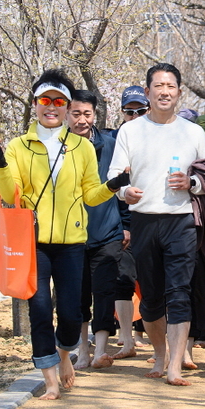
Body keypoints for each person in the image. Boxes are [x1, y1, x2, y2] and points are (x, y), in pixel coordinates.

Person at [0, 70, 128, 399]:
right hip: (33, 243)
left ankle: (65, 356)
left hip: (71, 244)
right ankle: (50, 379)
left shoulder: (80, 147)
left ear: (66, 107)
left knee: (70, 313)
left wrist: (112, 186)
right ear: (35, 104)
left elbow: (91, 194)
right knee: (38, 311)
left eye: (58, 101)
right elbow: (11, 196)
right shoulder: (19, 147)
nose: (51, 107)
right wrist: (0, 165)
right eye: (45, 101)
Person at [108, 63, 205, 387]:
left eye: (171, 86)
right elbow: (115, 177)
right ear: (147, 92)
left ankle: (175, 366)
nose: (165, 91)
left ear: (179, 92)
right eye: (158, 86)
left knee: (179, 292)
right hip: (143, 219)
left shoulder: (192, 132)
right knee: (152, 297)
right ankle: (159, 355)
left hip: (181, 220)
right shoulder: (130, 131)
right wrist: (126, 191)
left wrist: (192, 182)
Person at [67, 89, 128, 371]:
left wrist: (126, 225)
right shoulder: (58, 147)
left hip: (107, 231)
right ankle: (82, 350)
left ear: (95, 115)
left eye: (87, 114)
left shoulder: (112, 143)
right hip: (70, 235)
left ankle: (101, 348)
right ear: (67, 114)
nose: (81, 120)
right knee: (77, 294)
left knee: (105, 290)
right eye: (76, 113)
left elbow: (125, 183)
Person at [110, 85, 150, 352]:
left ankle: (158, 338)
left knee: (155, 281)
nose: (134, 116)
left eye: (140, 111)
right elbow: (110, 186)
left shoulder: (162, 136)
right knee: (123, 280)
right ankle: (126, 338)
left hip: (158, 221)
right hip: (126, 224)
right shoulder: (115, 141)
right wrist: (124, 226)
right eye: (129, 112)